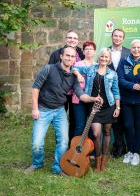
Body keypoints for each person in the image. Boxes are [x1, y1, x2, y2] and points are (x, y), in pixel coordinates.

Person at [24, 46, 101, 175]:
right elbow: (35, 88)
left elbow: (81, 95)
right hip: (43, 110)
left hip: (59, 111)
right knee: (37, 143)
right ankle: (37, 163)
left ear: (74, 59)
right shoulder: (48, 69)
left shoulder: (73, 76)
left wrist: (93, 98)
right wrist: (35, 109)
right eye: (67, 55)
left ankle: (58, 167)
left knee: (64, 141)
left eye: (72, 57)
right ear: (61, 56)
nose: (69, 58)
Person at [73, 48, 120, 172]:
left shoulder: (113, 74)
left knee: (107, 132)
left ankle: (103, 161)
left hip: (109, 106)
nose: (104, 59)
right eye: (102, 57)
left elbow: (116, 91)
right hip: (94, 106)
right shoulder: (90, 69)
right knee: (96, 134)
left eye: (106, 57)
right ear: (99, 58)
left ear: (109, 60)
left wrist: (118, 107)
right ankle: (97, 158)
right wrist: (78, 75)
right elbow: (74, 68)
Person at [117, 39, 140, 166]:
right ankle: (130, 151)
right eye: (134, 47)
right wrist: (132, 85)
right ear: (130, 49)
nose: (136, 50)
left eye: (139, 48)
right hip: (126, 99)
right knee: (127, 125)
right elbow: (120, 79)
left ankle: (136, 152)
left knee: (138, 125)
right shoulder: (123, 61)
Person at [48, 30, 85, 143]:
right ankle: (60, 143)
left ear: (77, 41)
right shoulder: (56, 54)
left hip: (75, 93)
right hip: (60, 92)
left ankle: (71, 144)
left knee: (74, 120)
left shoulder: (82, 54)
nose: (72, 40)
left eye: (74, 38)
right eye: (70, 38)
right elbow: (50, 73)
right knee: (60, 120)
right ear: (65, 39)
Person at [108, 28, 130, 158]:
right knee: (114, 120)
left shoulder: (128, 52)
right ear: (112, 36)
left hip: (126, 91)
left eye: (120, 36)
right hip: (110, 91)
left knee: (125, 120)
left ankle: (124, 145)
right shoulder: (106, 51)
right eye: (115, 36)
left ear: (123, 39)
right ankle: (119, 145)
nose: (117, 38)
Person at [72, 41, 97, 136]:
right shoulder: (78, 64)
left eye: (91, 49)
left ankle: (91, 149)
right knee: (80, 126)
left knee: (91, 126)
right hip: (79, 99)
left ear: (94, 51)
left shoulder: (97, 65)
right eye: (87, 49)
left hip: (92, 99)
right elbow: (73, 69)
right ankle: (76, 149)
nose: (89, 51)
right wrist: (78, 74)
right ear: (83, 51)